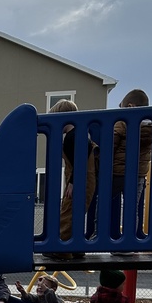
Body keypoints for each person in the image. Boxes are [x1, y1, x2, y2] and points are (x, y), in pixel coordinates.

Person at [50, 99, 97, 250]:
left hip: (79, 181)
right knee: (76, 214)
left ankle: (62, 249)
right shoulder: (82, 134)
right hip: (85, 180)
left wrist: (73, 182)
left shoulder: (72, 137)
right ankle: (76, 249)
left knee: (68, 214)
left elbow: (80, 161)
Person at [110, 89, 152, 238]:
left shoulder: (122, 123)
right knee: (132, 208)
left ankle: (100, 233)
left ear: (129, 107)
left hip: (116, 173)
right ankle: (129, 241)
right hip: (138, 175)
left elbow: (112, 145)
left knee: (103, 201)